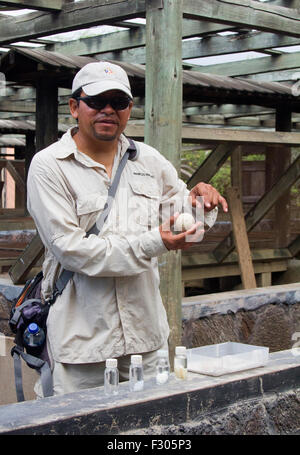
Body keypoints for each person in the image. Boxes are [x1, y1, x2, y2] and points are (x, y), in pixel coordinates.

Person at [27, 61, 228, 396]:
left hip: (145, 337)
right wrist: (154, 242)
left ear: (129, 110)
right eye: (97, 101)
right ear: (75, 107)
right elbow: (72, 251)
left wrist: (198, 204)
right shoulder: (50, 167)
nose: (108, 110)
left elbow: (183, 229)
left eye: (118, 103)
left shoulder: (147, 160)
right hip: (83, 344)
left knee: (153, 424)